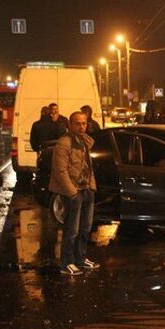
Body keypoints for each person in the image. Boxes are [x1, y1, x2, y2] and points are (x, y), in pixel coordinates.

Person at [49, 111, 100, 276]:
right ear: (70, 125)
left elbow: (88, 167)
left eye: (84, 123)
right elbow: (60, 171)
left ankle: (80, 258)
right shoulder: (64, 143)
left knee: (85, 228)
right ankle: (67, 263)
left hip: (86, 191)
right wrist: (72, 193)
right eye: (77, 123)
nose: (81, 126)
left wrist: (92, 187)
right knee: (72, 230)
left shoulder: (85, 142)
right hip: (73, 193)